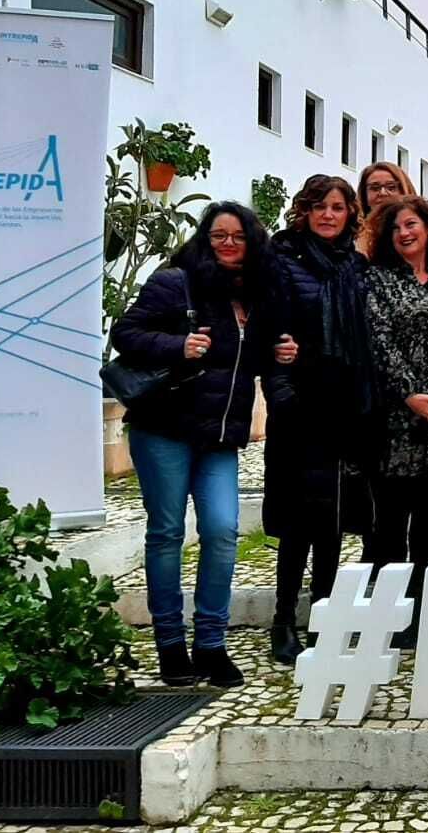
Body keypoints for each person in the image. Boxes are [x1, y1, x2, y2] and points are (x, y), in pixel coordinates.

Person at [111, 202, 289, 687]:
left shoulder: (258, 295)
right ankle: (171, 644)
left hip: (218, 437)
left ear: (254, 242)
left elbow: (256, 361)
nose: (229, 244)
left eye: (239, 236)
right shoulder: (176, 281)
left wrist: (281, 353)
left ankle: (211, 643)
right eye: (219, 236)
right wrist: (177, 345)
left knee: (222, 532)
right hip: (163, 428)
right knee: (167, 533)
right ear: (204, 239)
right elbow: (125, 333)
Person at [264, 175, 377, 665]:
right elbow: (271, 331)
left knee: (332, 519)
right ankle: (283, 618)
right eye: (319, 207)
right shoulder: (283, 259)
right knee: (297, 521)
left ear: (350, 213)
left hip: (344, 406)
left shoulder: (356, 264)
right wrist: (282, 394)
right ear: (304, 211)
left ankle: (324, 615)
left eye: (337, 207)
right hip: (299, 405)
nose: (329, 215)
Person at [362, 196, 428, 647]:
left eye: (412, 224)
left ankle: (421, 612)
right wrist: (410, 395)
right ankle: (391, 611)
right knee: (391, 523)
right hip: (398, 416)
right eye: (395, 228)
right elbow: (379, 340)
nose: (405, 233)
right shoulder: (378, 280)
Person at [354, 161, 415, 257]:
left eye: (391, 187)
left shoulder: (421, 231)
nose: (383, 193)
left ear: (404, 191)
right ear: (364, 195)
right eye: (375, 188)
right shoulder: (353, 233)